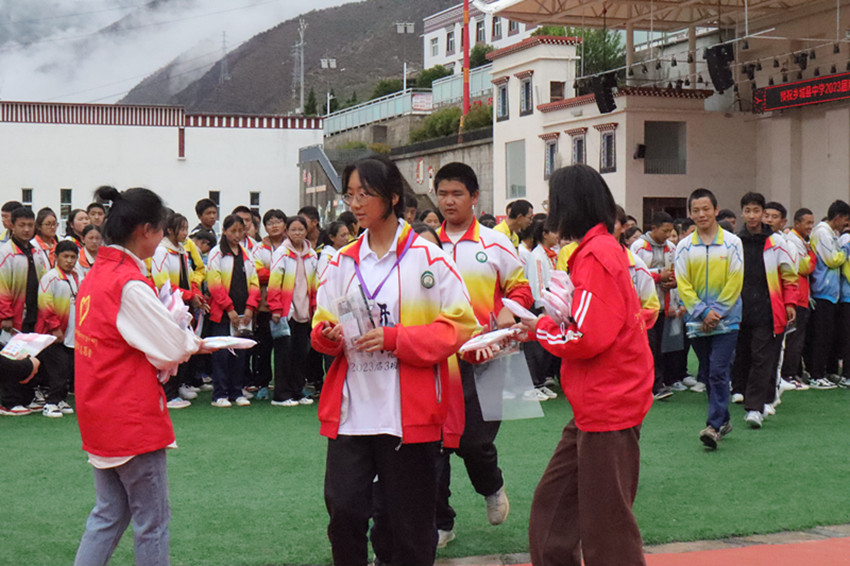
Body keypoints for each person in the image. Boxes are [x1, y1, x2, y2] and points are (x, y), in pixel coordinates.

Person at [311, 156, 477, 566]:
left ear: (393, 197)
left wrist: (395, 338)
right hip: (352, 412)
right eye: (350, 195)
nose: (355, 203)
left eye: (364, 194)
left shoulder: (429, 259)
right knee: (344, 512)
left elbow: (459, 327)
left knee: (410, 526)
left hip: (409, 415)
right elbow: (321, 321)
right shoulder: (341, 261)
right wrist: (328, 335)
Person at [518, 164, 652, 566]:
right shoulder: (596, 251)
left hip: (608, 403)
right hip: (596, 404)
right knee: (553, 511)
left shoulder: (597, 256)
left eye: (552, 200)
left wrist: (539, 328)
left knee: (606, 528)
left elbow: (586, 337)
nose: (548, 209)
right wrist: (540, 328)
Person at [73, 185, 204, 566]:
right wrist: (193, 342)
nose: (162, 238)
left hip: (99, 411)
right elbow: (173, 347)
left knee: (109, 514)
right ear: (145, 230)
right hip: (130, 416)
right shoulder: (127, 282)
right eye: (161, 229)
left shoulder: (98, 273)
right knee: (152, 521)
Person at [434, 162, 533, 544]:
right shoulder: (425, 245)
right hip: (437, 359)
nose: (449, 201)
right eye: (443, 194)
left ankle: (491, 486)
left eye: (457, 193)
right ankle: (441, 523)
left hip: (487, 357)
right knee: (436, 444)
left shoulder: (495, 242)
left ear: (474, 197)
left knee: (474, 441)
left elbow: (521, 289)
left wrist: (509, 308)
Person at [675, 188, 743, 449]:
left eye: (706, 209)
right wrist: (703, 312)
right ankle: (723, 420)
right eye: (696, 210)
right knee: (709, 372)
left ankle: (713, 426)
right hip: (696, 321)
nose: (701, 214)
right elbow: (683, 284)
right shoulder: (684, 246)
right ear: (690, 214)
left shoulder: (732, 243)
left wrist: (717, 312)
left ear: (716, 210)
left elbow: (735, 280)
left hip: (727, 321)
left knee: (717, 371)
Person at [730, 193, 797, 428]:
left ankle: (755, 408)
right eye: (747, 210)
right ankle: (745, 392)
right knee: (743, 356)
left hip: (769, 309)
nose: (752, 216)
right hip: (739, 309)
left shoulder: (777, 242)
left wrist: (789, 303)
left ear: (763, 213)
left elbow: (789, 275)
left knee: (762, 358)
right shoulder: (734, 241)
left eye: (756, 211)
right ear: (742, 213)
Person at [150, 212, 206, 409]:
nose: (185, 233)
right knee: (170, 349)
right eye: (181, 229)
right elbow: (162, 284)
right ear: (170, 230)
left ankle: (180, 385)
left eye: (186, 228)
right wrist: (190, 295)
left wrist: (195, 293)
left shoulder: (182, 251)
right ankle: (168, 393)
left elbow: (190, 277)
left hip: (183, 306)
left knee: (182, 347)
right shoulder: (161, 252)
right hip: (168, 307)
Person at [0, 206, 51, 415]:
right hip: (13, 315)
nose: (27, 229)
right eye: (22, 225)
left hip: (33, 313)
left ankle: (27, 397)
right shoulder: (5, 253)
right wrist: (6, 315)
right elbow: (2, 286)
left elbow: (45, 281)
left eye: (30, 225)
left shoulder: (37, 251)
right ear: (12, 225)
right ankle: (9, 401)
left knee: (31, 353)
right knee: (12, 356)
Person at [206, 214, 260, 407]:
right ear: (224, 231)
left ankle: (237, 391)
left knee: (240, 353)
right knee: (221, 353)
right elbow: (214, 284)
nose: (237, 235)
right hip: (223, 312)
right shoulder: (217, 253)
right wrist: (229, 309)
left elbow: (254, 282)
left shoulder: (247, 254)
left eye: (240, 231)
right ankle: (219, 394)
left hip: (243, 312)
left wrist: (250, 307)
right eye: (233, 231)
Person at [268, 215, 319, 406]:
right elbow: (274, 282)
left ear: (306, 231)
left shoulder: (311, 254)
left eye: (301, 229)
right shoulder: (281, 253)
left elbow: (315, 283)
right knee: (284, 354)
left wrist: (315, 308)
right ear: (287, 232)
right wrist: (275, 308)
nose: (297, 233)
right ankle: (281, 395)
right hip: (285, 311)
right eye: (294, 230)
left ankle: (298, 391)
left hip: (304, 311)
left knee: (301, 353)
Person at [631, 211, 678, 398]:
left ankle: (658, 382)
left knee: (660, 348)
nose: (668, 235)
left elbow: (674, 271)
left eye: (670, 231)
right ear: (653, 228)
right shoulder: (639, 246)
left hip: (662, 304)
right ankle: (652, 386)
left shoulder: (671, 248)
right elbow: (634, 275)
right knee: (648, 347)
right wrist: (659, 275)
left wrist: (673, 282)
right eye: (664, 231)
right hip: (643, 307)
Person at [807, 200, 850, 388]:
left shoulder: (831, 233)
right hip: (822, 291)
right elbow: (832, 259)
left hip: (831, 293)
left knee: (828, 336)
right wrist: (845, 250)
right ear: (838, 217)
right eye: (845, 220)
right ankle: (816, 375)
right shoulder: (822, 232)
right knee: (821, 336)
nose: (845, 225)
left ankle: (825, 372)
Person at [35, 240, 80, 418]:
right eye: (65, 256)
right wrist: (55, 327)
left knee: (67, 367)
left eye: (73, 257)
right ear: (56, 257)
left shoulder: (76, 277)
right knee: (58, 368)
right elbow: (45, 304)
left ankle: (60, 399)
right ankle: (51, 403)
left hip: (70, 333)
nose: (69, 261)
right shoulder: (50, 278)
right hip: (52, 333)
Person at [251, 209, 288, 399]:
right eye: (270, 223)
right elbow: (256, 273)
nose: (274, 226)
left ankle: (287, 384)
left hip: (289, 304)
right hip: (264, 305)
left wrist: (271, 272)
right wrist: (280, 274)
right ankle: (262, 384)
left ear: (285, 224)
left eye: (278, 221)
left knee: (287, 347)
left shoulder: (292, 246)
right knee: (263, 346)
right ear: (265, 227)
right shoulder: (258, 248)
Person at [522, 217, 560, 401]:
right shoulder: (537, 256)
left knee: (545, 346)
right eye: (555, 231)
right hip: (538, 306)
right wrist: (543, 307)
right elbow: (537, 283)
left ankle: (540, 382)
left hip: (548, 304)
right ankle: (531, 385)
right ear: (544, 234)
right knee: (535, 347)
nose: (558, 235)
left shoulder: (549, 255)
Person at [780, 208, 817, 389]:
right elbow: (804, 267)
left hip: (800, 296)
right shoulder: (793, 241)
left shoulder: (800, 240)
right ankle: (788, 374)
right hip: (796, 296)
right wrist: (812, 254)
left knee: (797, 338)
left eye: (812, 223)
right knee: (795, 338)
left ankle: (793, 373)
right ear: (796, 223)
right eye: (807, 223)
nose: (810, 227)